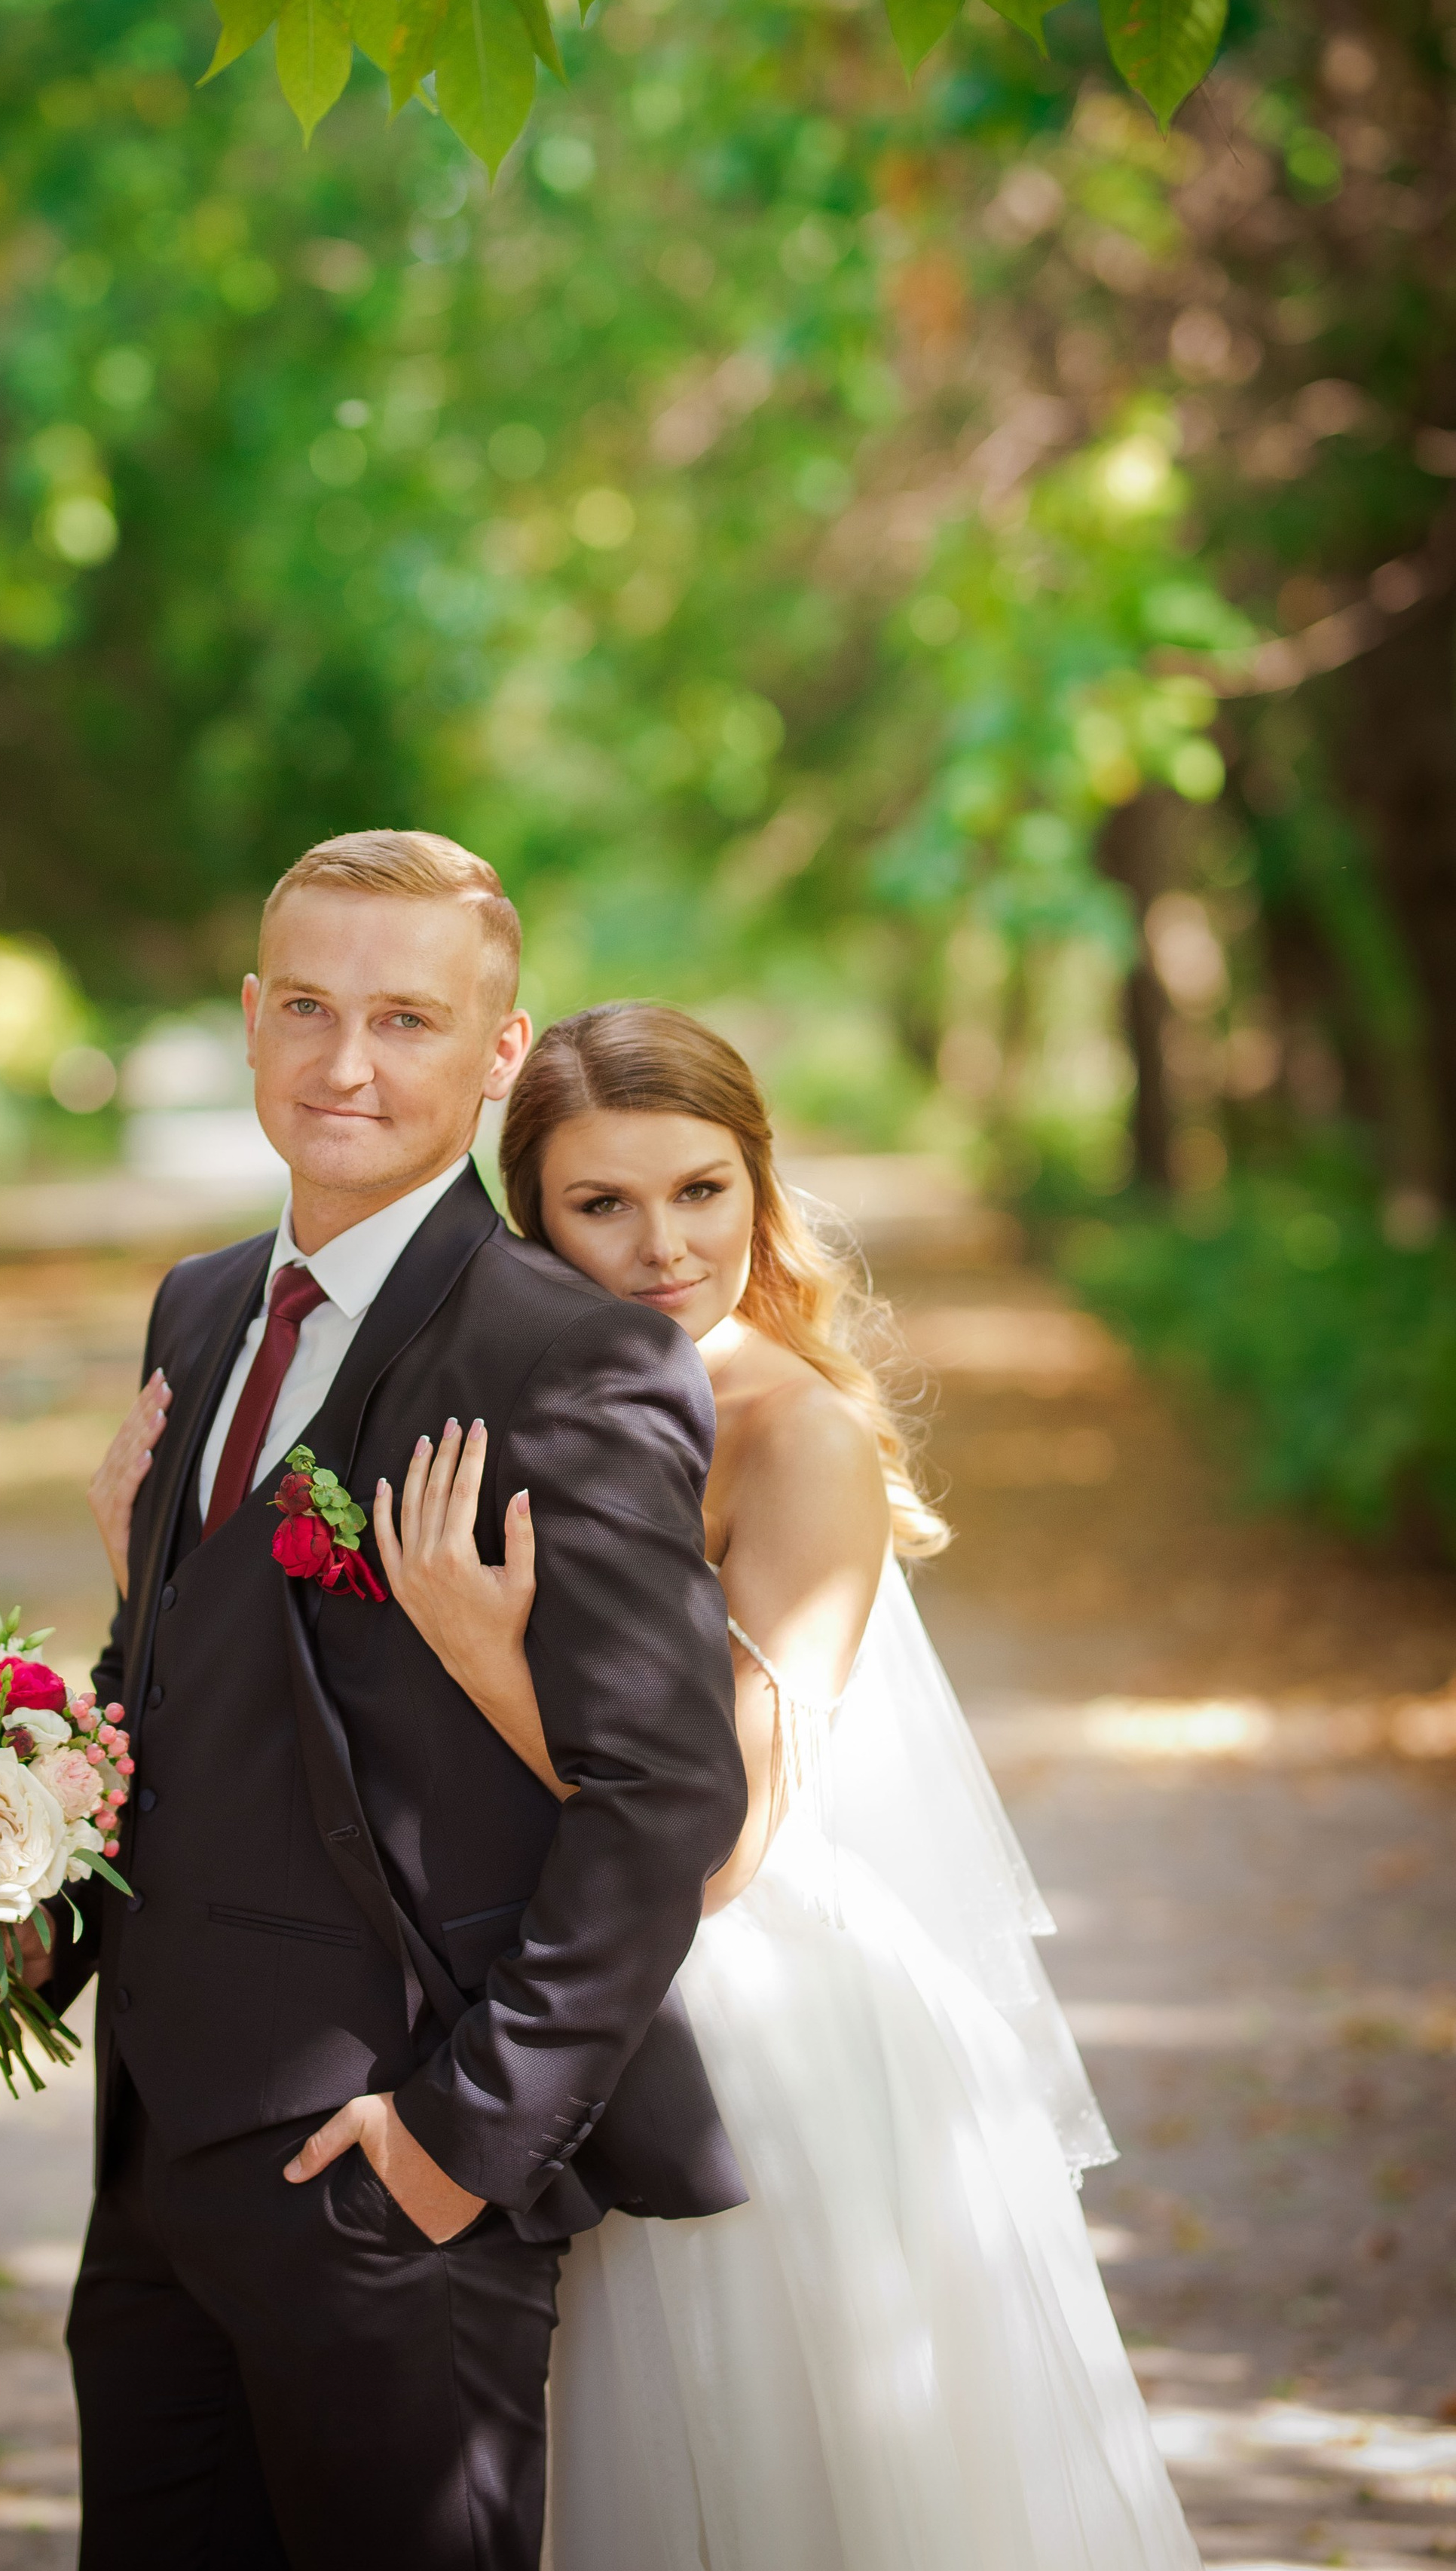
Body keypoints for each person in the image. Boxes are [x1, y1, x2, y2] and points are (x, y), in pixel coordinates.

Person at [0, 837, 749, 2571]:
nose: (342, 1063)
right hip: (152, 2174)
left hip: (389, 2174)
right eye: (305, 1007)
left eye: (404, 1018)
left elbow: (668, 1796)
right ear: (247, 1017)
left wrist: (457, 2143)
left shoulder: (566, 1357)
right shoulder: (201, 1305)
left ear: (496, 1054)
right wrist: (20, 1930)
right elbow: (176, 1683)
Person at [378, 1000, 1204, 2571]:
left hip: (748, 2020)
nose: (660, 1246)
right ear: (530, 1214)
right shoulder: (522, 1396)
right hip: (562, 1965)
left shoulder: (791, 1430)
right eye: (599, 1203)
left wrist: (487, 1658)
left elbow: (721, 1834)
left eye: (699, 1189)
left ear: (756, 1181)